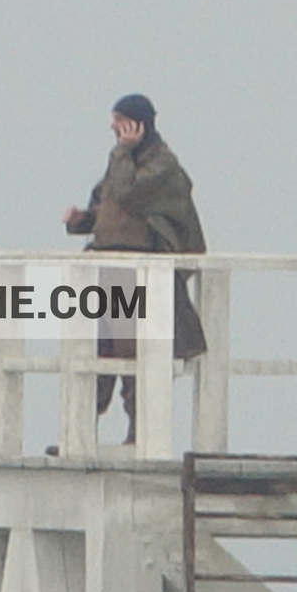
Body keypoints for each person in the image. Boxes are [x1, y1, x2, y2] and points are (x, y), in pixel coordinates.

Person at [62, 93, 207, 444]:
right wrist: (82, 220)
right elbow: (107, 206)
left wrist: (122, 151)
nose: (113, 127)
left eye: (120, 120)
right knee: (100, 348)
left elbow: (130, 196)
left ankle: (138, 435)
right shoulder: (123, 161)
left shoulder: (163, 165)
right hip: (106, 272)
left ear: (138, 123)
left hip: (139, 275)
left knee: (132, 353)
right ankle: (80, 435)